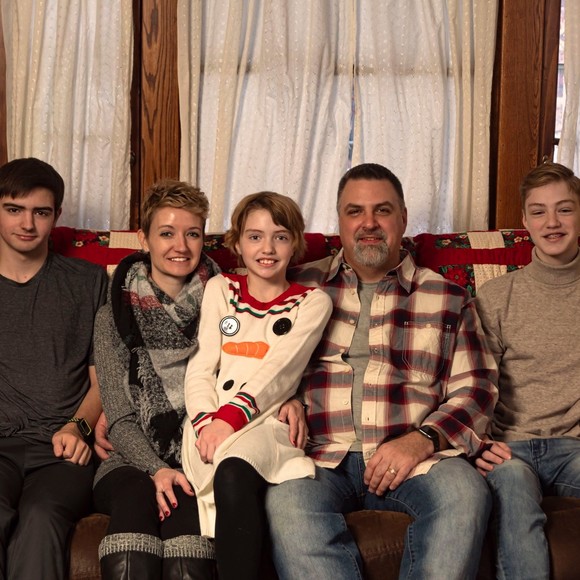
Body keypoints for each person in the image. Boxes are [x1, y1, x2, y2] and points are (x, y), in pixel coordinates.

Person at [265, 163, 499, 580]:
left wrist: (422, 439)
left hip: (416, 460)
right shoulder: (296, 287)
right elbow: (254, 362)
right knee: (286, 504)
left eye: (382, 210)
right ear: (339, 220)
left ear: (403, 219)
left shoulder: (448, 296)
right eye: (355, 211)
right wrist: (288, 399)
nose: (369, 223)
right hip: (318, 456)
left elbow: (477, 388)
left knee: (464, 493)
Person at [181, 191, 333, 580]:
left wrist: (229, 421)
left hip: (264, 420)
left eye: (280, 237)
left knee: (234, 468)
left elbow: (280, 370)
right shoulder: (221, 289)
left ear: (295, 244)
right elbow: (202, 365)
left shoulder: (311, 302)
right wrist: (205, 422)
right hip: (209, 419)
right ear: (237, 243)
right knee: (223, 464)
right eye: (255, 237)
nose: (267, 249)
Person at [92, 180, 221, 579]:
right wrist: (156, 468)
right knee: (135, 499)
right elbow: (118, 415)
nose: (180, 245)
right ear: (143, 239)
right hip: (128, 458)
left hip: (199, 455)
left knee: (187, 512)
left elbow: (248, 374)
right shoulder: (113, 315)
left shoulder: (227, 306)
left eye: (192, 234)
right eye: (166, 233)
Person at [0, 157, 108, 579]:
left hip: (62, 448)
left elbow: (103, 381)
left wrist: (77, 428)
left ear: (56, 215)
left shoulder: (89, 281)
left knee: (42, 518)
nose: (27, 224)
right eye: (14, 209)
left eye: (40, 212)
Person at [474, 161, 580, 579]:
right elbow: (475, 381)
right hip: (509, 448)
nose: (552, 222)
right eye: (539, 211)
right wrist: (478, 440)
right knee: (514, 493)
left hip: (574, 447)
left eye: (564, 209)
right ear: (525, 221)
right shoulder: (497, 295)